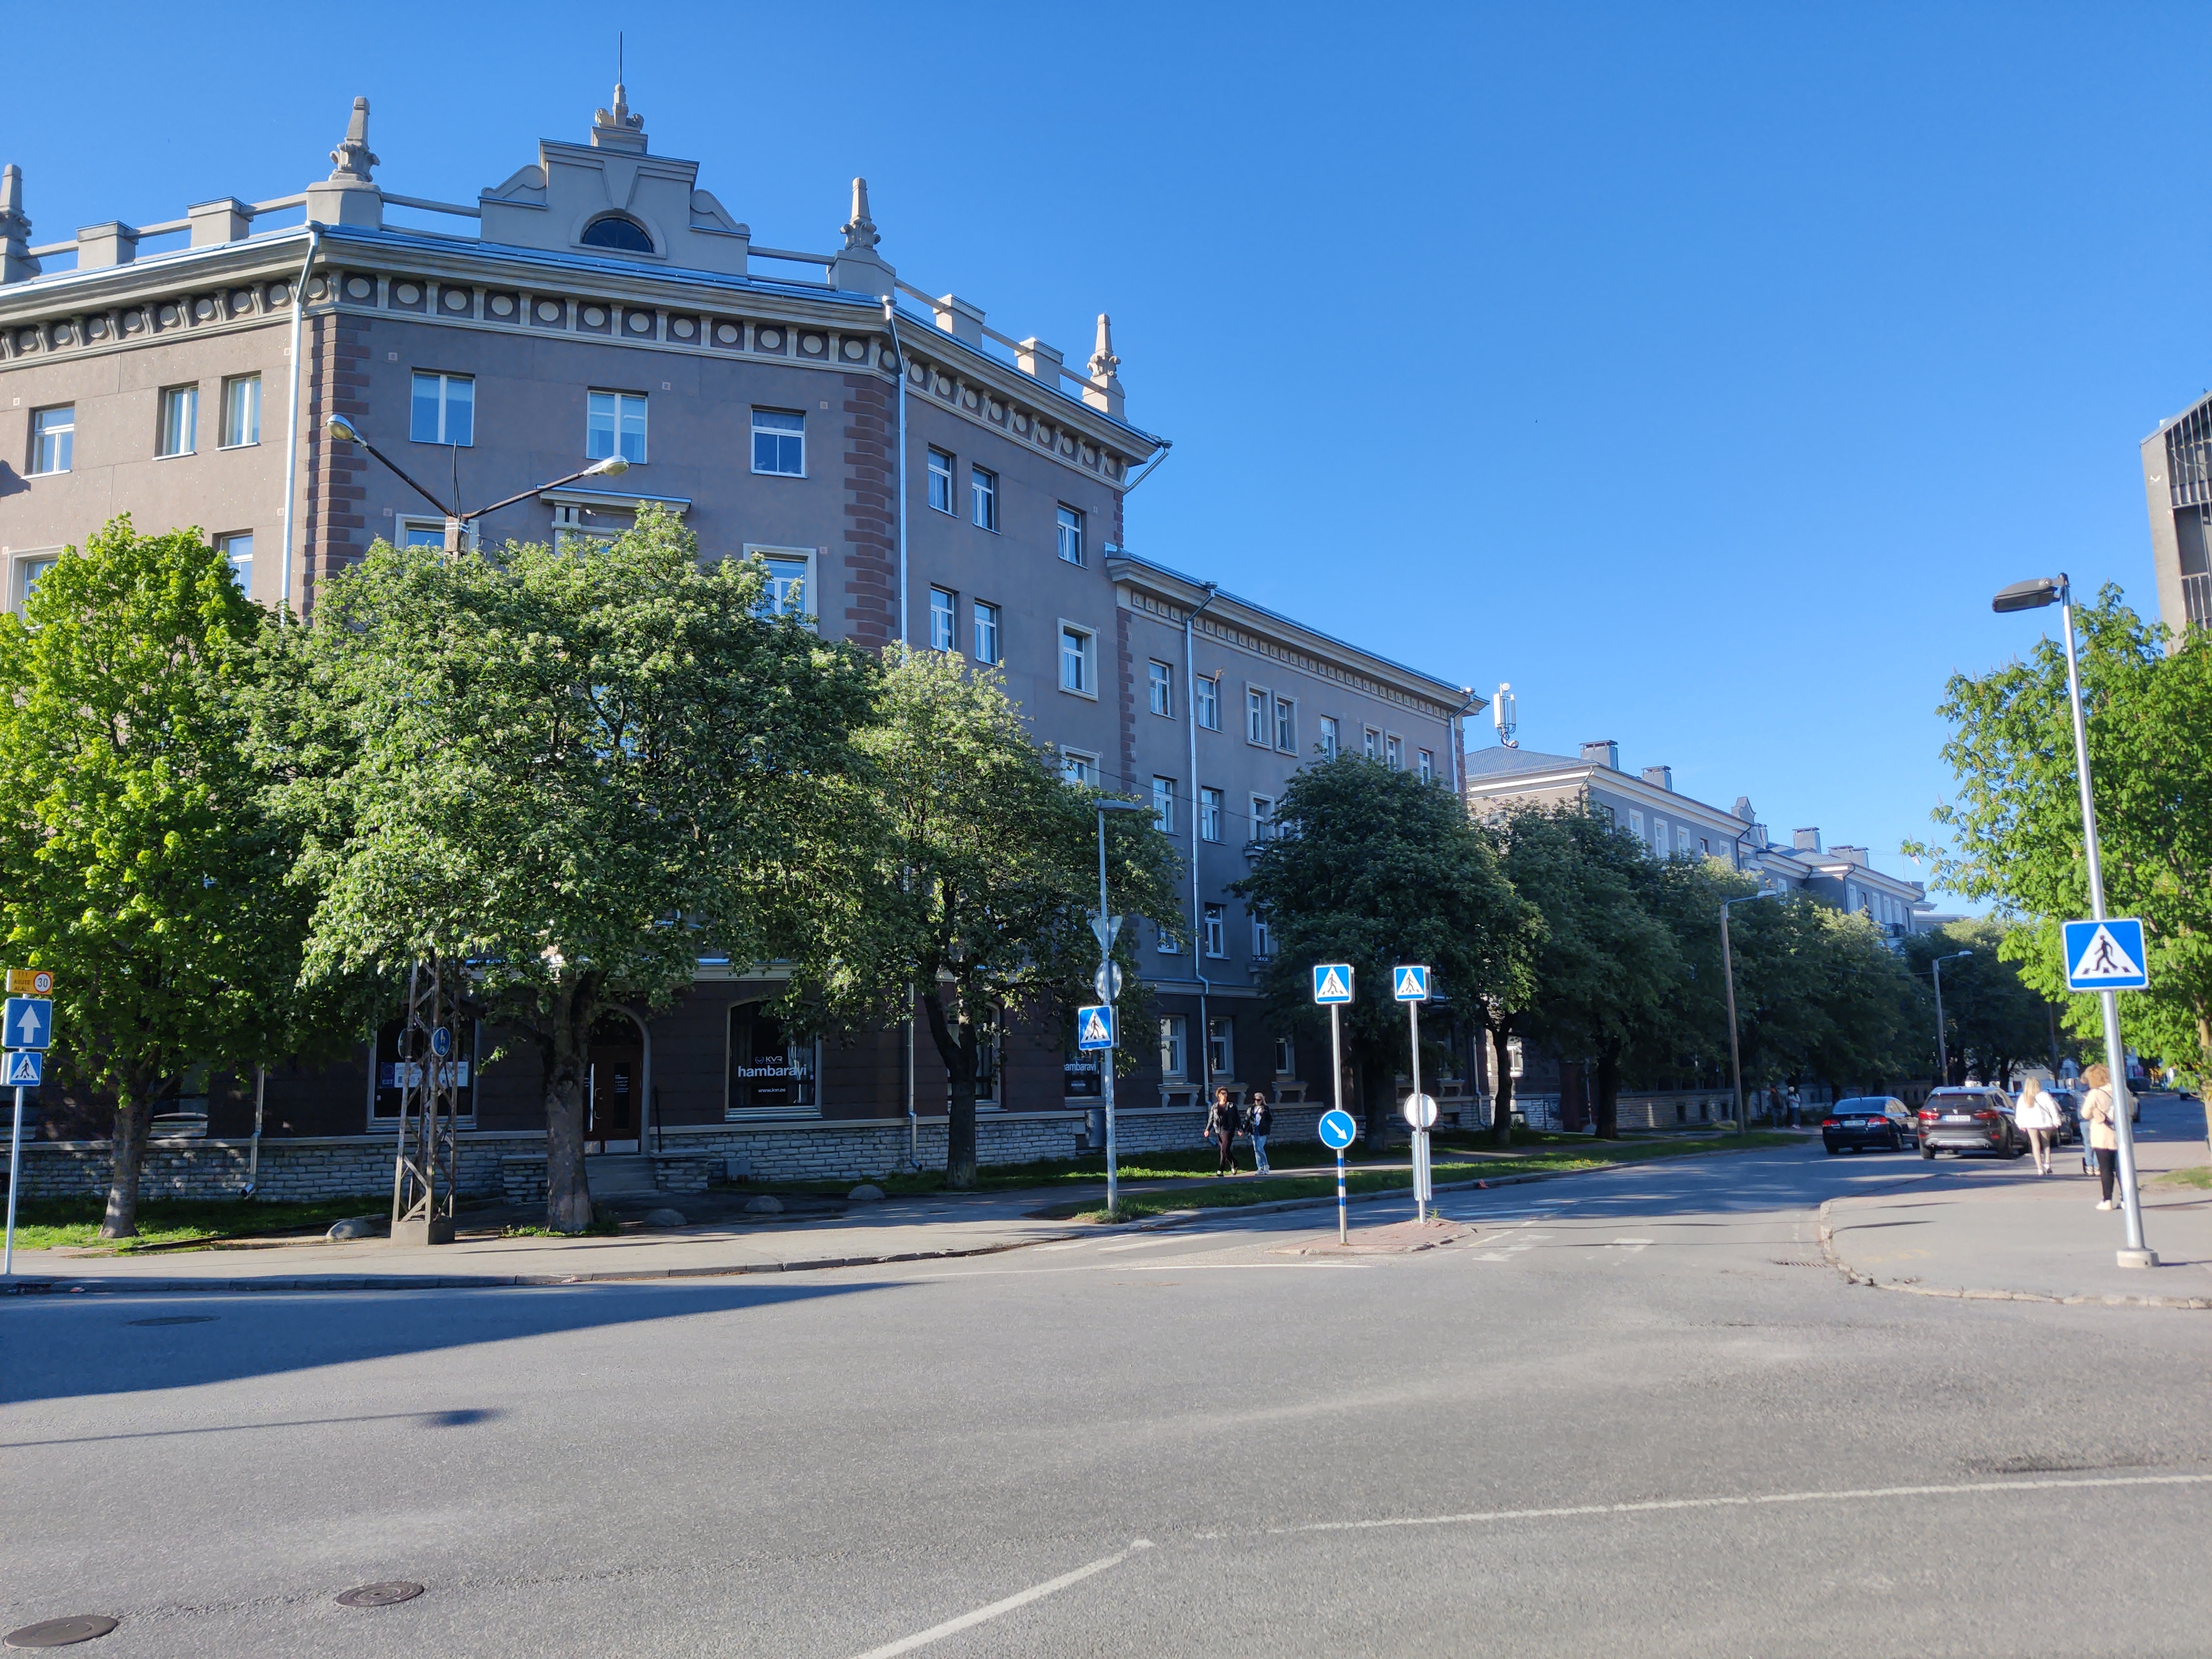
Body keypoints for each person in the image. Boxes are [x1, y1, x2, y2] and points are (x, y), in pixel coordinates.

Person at [2080, 1063, 2120, 1209]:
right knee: (2122, 1168)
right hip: (2121, 1134)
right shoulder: (2121, 1090)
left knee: (2106, 1168)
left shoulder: (2095, 1093)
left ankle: (2107, 1200)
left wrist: (2095, 1111)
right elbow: (2131, 1109)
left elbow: (2084, 1114)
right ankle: (2126, 1199)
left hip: (2102, 1135)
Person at [2015, 1076, 2061, 1176]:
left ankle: (2040, 1168)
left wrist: (2020, 1124)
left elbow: (2019, 1112)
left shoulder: (2023, 1097)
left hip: (2030, 1124)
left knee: (2035, 1145)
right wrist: (2057, 1121)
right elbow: (2052, 1109)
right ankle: (2048, 1164)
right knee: (2046, 1144)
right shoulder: (2044, 1095)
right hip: (2044, 1123)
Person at [1207, 1086, 1241, 1176]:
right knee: (1225, 1150)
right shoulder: (1215, 1106)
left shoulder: (1231, 1106)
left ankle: (1221, 1169)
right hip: (1219, 1130)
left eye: (1225, 1093)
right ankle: (1235, 1163)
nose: (1224, 1095)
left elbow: (1237, 1118)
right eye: (1222, 1093)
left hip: (1229, 1130)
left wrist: (1240, 1129)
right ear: (1218, 1095)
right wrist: (1208, 1130)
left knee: (1224, 1150)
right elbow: (1211, 1119)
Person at [1246, 1088, 1274, 1175]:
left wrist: (1265, 1125)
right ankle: (1260, 1168)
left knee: (1260, 1148)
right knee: (1256, 1150)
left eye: (1258, 1100)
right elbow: (1248, 1119)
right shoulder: (1251, 1108)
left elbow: (1270, 1120)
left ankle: (1266, 1165)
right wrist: (1243, 1129)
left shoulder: (1265, 1109)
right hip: (1254, 1130)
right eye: (1255, 1100)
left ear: (1262, 1100)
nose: (1256, 1102)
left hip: (1263, 1131)